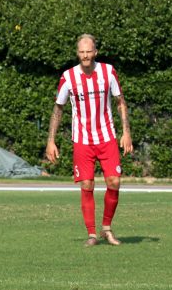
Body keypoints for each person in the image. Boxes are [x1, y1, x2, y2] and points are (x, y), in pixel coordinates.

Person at [45, 34, 133, 247]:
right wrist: (51, 140)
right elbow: (58, 109)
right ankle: (92, 234)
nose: (85, 56)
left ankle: (107, 228)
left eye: (89, 52)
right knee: (87, 184)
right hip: (82, 140)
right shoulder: (68, 77)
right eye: (81, 52)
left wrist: (126, 132)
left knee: (114, 181)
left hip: (107, 136)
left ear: (95, 52)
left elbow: (120, 102)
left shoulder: (108, 72)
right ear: (78, 53)